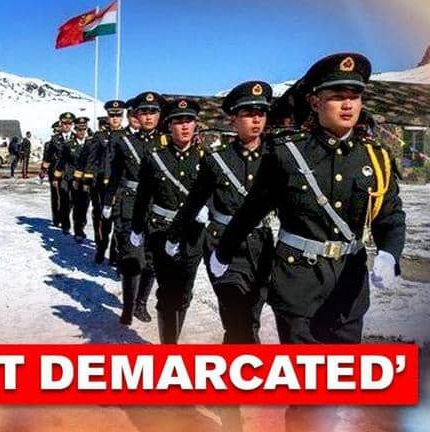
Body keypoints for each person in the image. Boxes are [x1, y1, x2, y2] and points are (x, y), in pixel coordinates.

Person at [211, 53, 405, 431]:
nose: (347, 104)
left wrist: (389, 253)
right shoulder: (288, 154)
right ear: (315, 102)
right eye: (337, 96)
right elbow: (252, 210)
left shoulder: (376, 158)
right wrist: (224, 250)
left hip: (349, 284)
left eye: (354, 95)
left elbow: (390, 216)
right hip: (298, 284)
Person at [168, 81, 275, 345]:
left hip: (261, 244)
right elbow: (194, 201)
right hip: (222, 244)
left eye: (261, 113)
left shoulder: (276, 157)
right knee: (237, 315)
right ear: (233, 119)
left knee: (251, 316)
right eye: (248, 113)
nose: (256, 119)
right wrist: (174, 235)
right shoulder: (217, 160)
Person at [131, 97, 207, 339]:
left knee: (184, 292)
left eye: (189, 121)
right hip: (161, 232)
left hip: (193, 235)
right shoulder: (155, 158)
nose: (184, 126)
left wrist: (208, 209)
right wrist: (137, 227)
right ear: (169, 126)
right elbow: (143, 196)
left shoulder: (207, 158)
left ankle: (173, 336)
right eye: (178, 121)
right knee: (167, 292)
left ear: (195, 124)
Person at [103, 92, 163, 325]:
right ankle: (128, 306)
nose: (148, 117)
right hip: (130, 205)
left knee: (152, 260)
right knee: (132, 259)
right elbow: (115, 175)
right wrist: (108, 201)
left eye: (153, 112)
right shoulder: (125, 142)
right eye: (144, 112)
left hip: (157, 207)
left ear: (159, 115)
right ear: (136, 115)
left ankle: (141, 304)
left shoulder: (166, 142)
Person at [82, 100, 126, 263]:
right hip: (101, 184)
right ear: (107, 117)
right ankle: (101, 247)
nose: (115, 119)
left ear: (122, 117)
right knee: (102, 219)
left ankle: (115, 253)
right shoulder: (100, 136)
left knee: (119, 220)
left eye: (118, 115)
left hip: (120, 185)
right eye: (112, 115)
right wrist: (88, 179)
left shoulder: (127, 136)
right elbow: (92, 159)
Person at [54, 116, 91, 241]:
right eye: (79, 129)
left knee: (83, 205)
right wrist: (56, 177)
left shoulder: (91, 143)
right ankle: (67, 225)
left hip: (85, 179)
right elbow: (62, 162)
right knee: (68, 203)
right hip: (70, 179)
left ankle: (80, 229)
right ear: (75, 129)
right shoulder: (69, 145)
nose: (81, 132)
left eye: (84, 129)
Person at [43, 112, 75, 232]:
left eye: (69, 123)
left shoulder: (76, 137)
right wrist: (45, 169)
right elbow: (48, 156)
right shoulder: (55, 139)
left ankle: (63, 215)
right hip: (57, 172)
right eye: (65, 123)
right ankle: (61, 221)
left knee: (71, 198)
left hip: (72, 172)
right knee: (59, 196)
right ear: (61, 124)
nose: (67, 126)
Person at [40, 121, 62, 226]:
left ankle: (63, 215)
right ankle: (56, 218)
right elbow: (46, 158)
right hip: (53, 172)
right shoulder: (48, 144)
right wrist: (43, 170)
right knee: (56, 196)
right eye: (56, 130)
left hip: (67, 172)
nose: (57, 132)